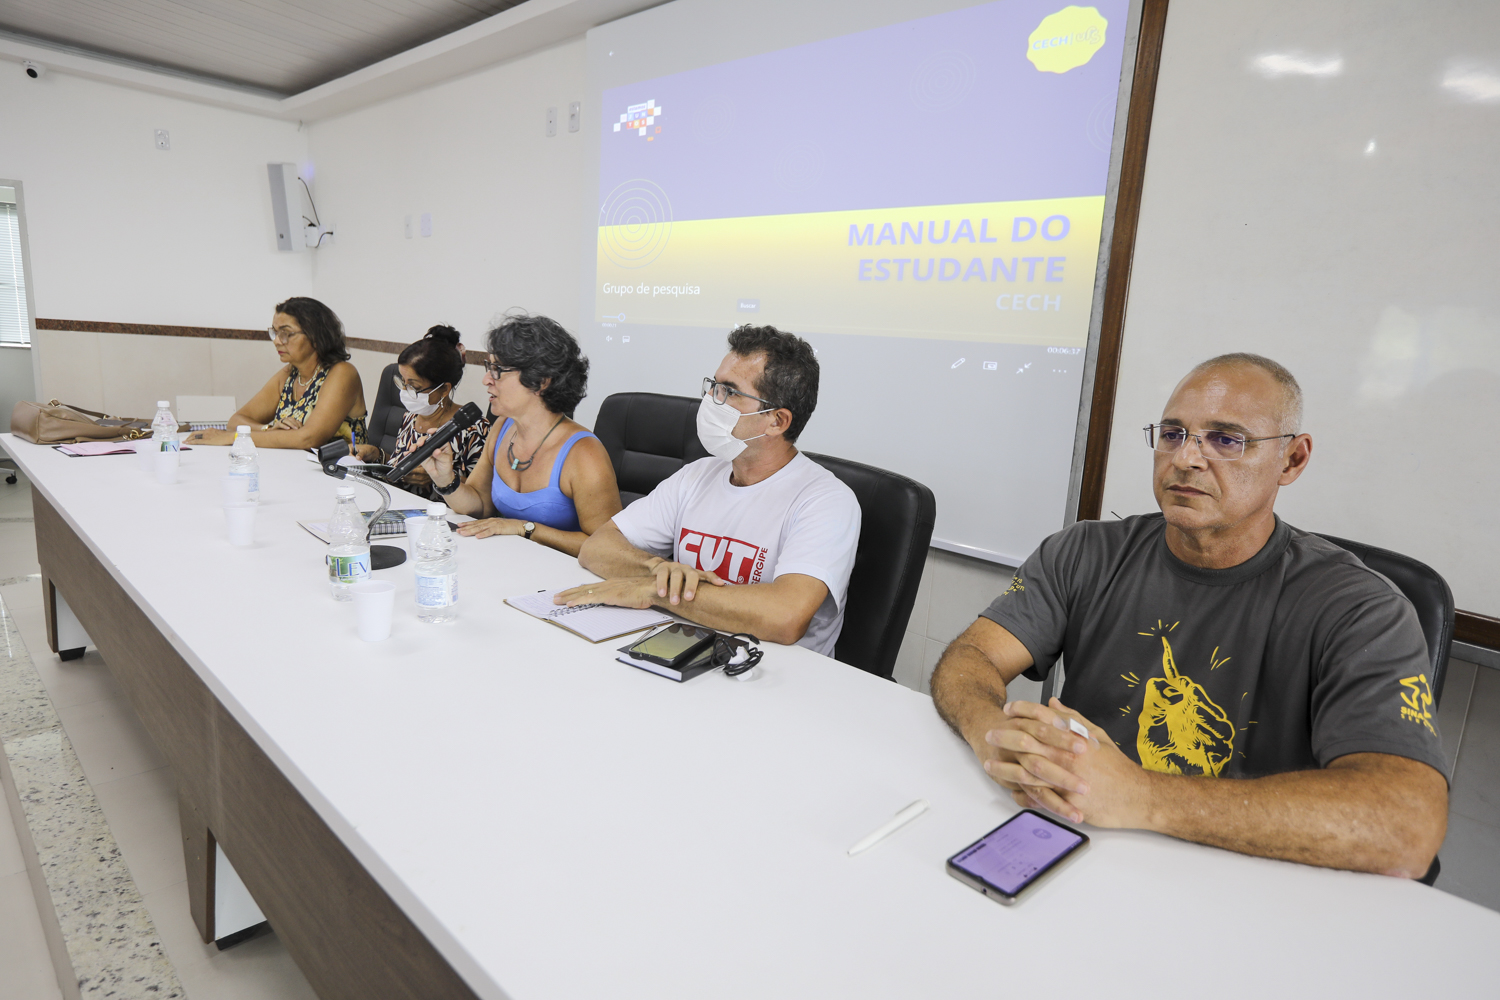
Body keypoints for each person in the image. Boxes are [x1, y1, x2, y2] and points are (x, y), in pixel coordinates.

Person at [930, 353, 1447, 879]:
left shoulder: (1360, 609)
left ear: (1291, 460)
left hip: (1246, 880)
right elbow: (971, 658)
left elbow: (1406, 824)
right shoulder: (1084, 552)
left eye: (1227, 439)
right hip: (1082, 844)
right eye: (1173, 433)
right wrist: (991, 733)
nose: (1186, 458)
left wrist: (1141, 796)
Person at [558, 325, 861, 655]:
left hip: (776, 679)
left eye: (730, 392)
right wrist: (657, 570)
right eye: (714, 386)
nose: (712, 400)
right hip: (690, 650)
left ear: (777, 421)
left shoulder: (826, 501)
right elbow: (598, 547)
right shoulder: (698, 475)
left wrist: (654, 591)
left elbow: (786, 617)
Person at [421, 313, 621, 557]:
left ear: (541, 382)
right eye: (488, 367)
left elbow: (606, 548)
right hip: (514, 567)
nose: (486, 380)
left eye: (497, 370)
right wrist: (445, 479)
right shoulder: (503, 427)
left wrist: (523, 528)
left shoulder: (584, 454)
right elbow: (479, 506)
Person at [185, 297, 367, 449]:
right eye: (275, 332)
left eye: (286, 333)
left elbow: (309, 438)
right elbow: (236, 421)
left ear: (316, 337)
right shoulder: (289, 374)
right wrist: (268, 428)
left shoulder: (342, 373)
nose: (277, 341)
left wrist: (231, 438)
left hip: (344, 476)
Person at [353, 325, 490, 502]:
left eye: (414, 387)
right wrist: (377, 455)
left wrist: (437, 478)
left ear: (444, 389)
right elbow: (404, 466)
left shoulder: (473, 427)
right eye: (402, 382)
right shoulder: (411, 417)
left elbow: (482, 492)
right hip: (398, 503)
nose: (404, 391)